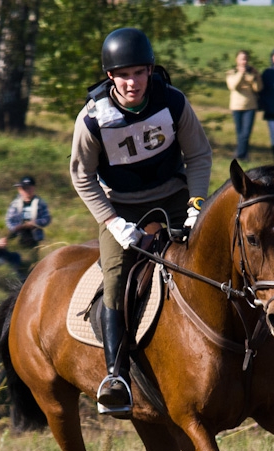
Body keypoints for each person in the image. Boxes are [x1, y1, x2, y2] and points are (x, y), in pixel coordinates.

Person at [70, 27, 213, 415]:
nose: (132, 82)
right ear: (110, 76)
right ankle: (115, 376)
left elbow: (199, 155)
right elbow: (82, 175)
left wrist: (196, 205)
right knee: (115, 277)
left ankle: (267, 350)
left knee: (222, 251)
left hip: (175, 196)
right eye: (123, 75)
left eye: (138, 73)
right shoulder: (93, 119)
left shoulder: (173, 102)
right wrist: (112, 221)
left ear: (150, 71)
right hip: (121, 207)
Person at [225, 50, 262, 162]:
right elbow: (233, 86)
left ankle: (239, 155)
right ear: (237, 60)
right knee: (240, 133)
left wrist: (256, 76)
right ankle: (243, 155)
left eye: (245, 59)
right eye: (241, 59)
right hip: (236, 106)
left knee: (246, 133)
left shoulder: (252, 73)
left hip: (250, 106)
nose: (244, 61)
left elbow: (258, 88)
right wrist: (241, 74)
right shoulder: (231, 73)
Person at [5, 176, 51, 249]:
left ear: (33, 188)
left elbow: (47, 218)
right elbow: (9, 220)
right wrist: (16, 227)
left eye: (28, 188)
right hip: (18, 235)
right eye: (23, 189)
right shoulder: (15, 203)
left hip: (35, 236)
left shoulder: (40, 203)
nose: (26, 191)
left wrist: (35, 223)